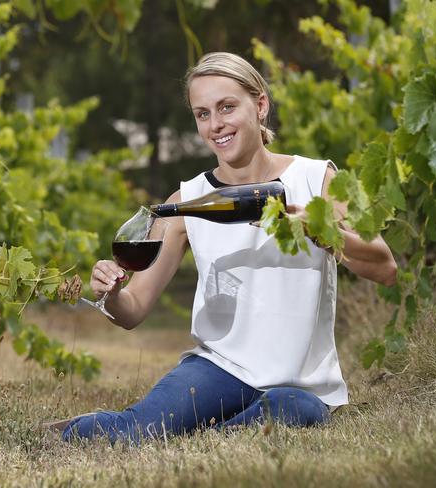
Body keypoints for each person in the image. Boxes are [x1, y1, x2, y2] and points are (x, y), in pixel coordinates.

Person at [50, 52, 397, 444]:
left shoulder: (317, 179)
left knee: (293, 410)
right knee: (135, 432)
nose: (215, 125)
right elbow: (133, 310)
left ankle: (200, 439)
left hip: (299, 385)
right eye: (202, 114)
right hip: (217, 370)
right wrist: (111, 294)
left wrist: (322, 232)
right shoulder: (188, 199)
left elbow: (385, 268)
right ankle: (89, 429)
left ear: (260, 105)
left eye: (227, 107)